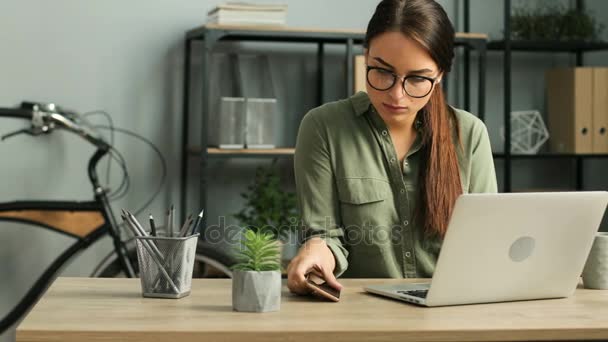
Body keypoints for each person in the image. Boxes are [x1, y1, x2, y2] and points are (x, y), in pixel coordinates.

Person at [287, 0, 497, 295]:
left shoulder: (469, 134)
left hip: (452, 309)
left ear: (439, 75)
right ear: (366, 56)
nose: (397, 94)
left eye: (417, 78)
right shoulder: (323, 127)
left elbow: (487, 239)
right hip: (361, 314)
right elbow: (324, 234)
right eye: (382, 72)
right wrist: (316, 252)